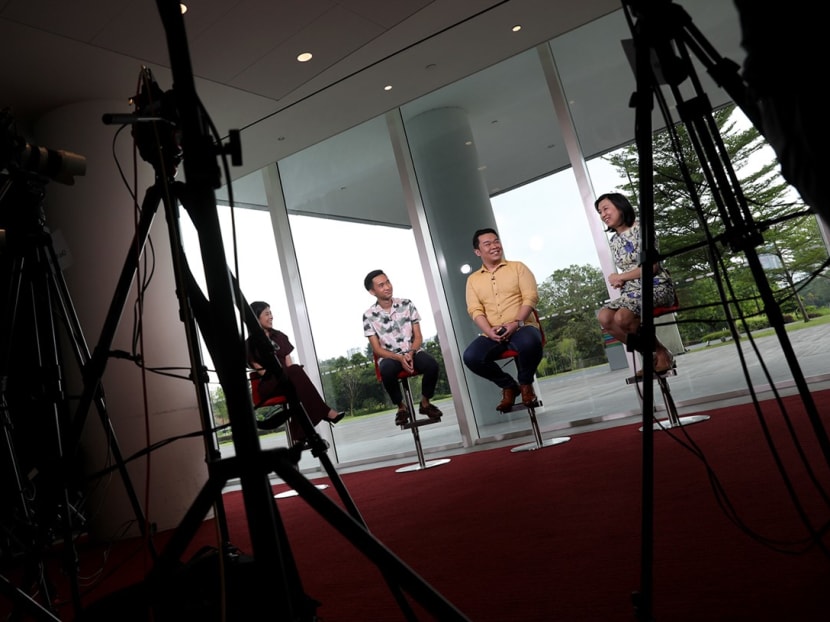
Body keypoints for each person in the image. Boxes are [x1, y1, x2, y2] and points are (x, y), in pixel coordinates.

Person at [595, 192, 676, 374]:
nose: (603, 215)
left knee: (622, 318)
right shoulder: (615, 240)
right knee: (604, 318)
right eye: (600, 212)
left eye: (606, 208)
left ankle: (661, 354)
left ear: (620, 206)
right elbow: (629, 268)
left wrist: (621, 277)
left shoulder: (642, 229)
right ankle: (655, 352)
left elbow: (652, 267)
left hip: (655, 285)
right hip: (631, 290)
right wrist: (621, 281)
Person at [463, 228, 543, 412]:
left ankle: (525, 384)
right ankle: (509, 386)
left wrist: (516, 323)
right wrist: (489, 331)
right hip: (493, 332)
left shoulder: (518, 267)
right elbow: (475, 309)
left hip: (522, 326)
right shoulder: (473, 280)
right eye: (488, 244)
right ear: (478, 252)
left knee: (530, 342)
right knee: (471, 357)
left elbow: (530, 297)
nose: (494, 246)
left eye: (496, 241)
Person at [246, 301, 344, 448]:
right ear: (255, 318)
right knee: (296, 371)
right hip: (269, 382)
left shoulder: (280, 336)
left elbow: (288, 363)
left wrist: (289, 375)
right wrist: (285, 375)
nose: (271, 317)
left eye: (271, 313)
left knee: (296, 376)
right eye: (267, 314)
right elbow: (261, 371)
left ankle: (299, 436)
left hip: (287, 378)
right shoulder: (249, 344)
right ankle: (325, 413)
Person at [362, 270, 443, 426]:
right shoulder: (368, 315)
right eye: (381, 285)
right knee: (386, 370)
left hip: (412, 351)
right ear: (372, 291)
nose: (387, 287)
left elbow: (418, 336)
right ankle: (401, 407)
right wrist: (399, 357)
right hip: (390, 357)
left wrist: (411, 353)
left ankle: (425, 403)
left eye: (388, 282)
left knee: (432, 365)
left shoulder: (407, 304)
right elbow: (377, 349)